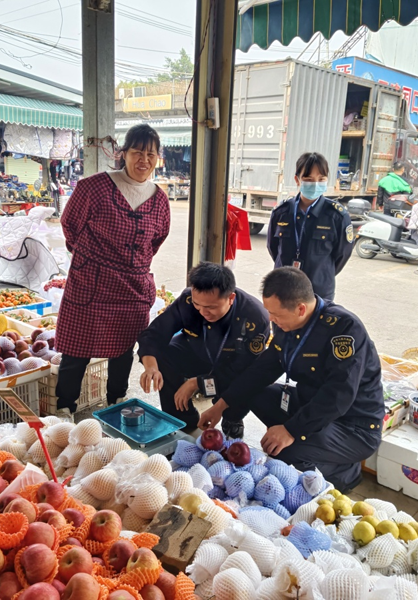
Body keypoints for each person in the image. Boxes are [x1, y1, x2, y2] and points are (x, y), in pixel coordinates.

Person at [197, 267, 384, 492]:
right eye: (269, 312)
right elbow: (261, 371)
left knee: (285, 453)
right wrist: (221, 405)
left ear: (301, 308)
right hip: (308, 405)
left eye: (276, 315)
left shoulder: (344, 330)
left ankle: (342, 472)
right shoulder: (288, 324)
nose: (271, 319)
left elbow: (337, 396)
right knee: (251, 391)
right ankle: (304, 444)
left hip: (353, 426)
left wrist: (291, 430)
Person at [55, 124, 171, 420]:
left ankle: (116, 402)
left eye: (150, 153)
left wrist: (131, 265)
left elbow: (155, 241)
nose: (143, 159)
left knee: (122, 351)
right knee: (77, 348)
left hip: (132, 287)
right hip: (90, 283)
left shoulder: (160, 200)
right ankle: (64, 407)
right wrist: (91, 259)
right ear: (124, 153)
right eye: (137, 152)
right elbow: (70, 227)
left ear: (157, 158)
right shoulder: (93, 187)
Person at [138, 262, 270, 435]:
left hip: (231, 366)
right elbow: (154, 334)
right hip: (196, 353)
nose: (202, 312)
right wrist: (151, 367)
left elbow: (247, 370)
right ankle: (181, 418)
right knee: (162, 356)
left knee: (248, 382)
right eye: (197, 305)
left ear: (230, 298)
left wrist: (196, 383)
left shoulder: (254, 317)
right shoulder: (186, 301)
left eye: (211, 307)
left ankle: (232, 416)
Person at [267, 152, 354, 301]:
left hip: (318, 292)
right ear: (297, 179)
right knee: (281, 324)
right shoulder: (281, 212)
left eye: (321, 179)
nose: (315, 185)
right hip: (283, 290)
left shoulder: (336, 216)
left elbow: (342, 255)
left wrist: (321, 273)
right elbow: (273, 248)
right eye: (308, 179)